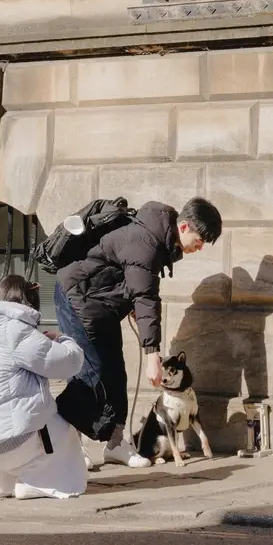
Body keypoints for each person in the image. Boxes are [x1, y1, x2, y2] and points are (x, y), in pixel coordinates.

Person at [54, 197, 223, 468]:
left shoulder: (158, 240)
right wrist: (152, 355)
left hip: (103, 306)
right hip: (77, 299)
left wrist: (130, 302)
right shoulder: (146, 242)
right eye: (200, 239)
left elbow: (137, 287)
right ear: (184, 227)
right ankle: (69, 444)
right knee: (90, 374)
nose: (200, 247)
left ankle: (117, 443)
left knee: (116, 373)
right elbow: (145, 298)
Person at [0, 274, 87, 500]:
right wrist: (63, 339)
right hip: (11, 441)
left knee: (28, 424)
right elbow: (67, 363)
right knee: (63, 433)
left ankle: (0, 477)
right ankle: (39, 485)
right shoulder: (15, 330)